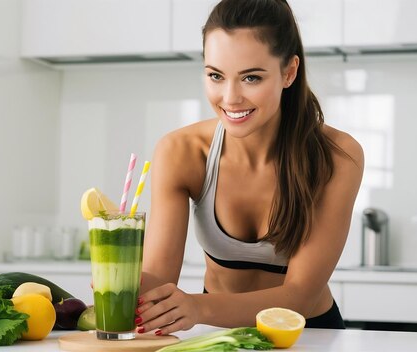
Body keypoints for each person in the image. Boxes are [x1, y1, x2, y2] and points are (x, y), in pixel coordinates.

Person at [136, 0, 364, 335]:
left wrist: (196, 307)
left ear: (289, 72)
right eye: (215, 75)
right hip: (217, 333)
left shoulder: (338, 155)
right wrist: (123, 283)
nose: (230, 98)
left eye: (251, 78)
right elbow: (157, 278)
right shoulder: (180, 152)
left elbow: (299, 295)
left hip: (308, 333)